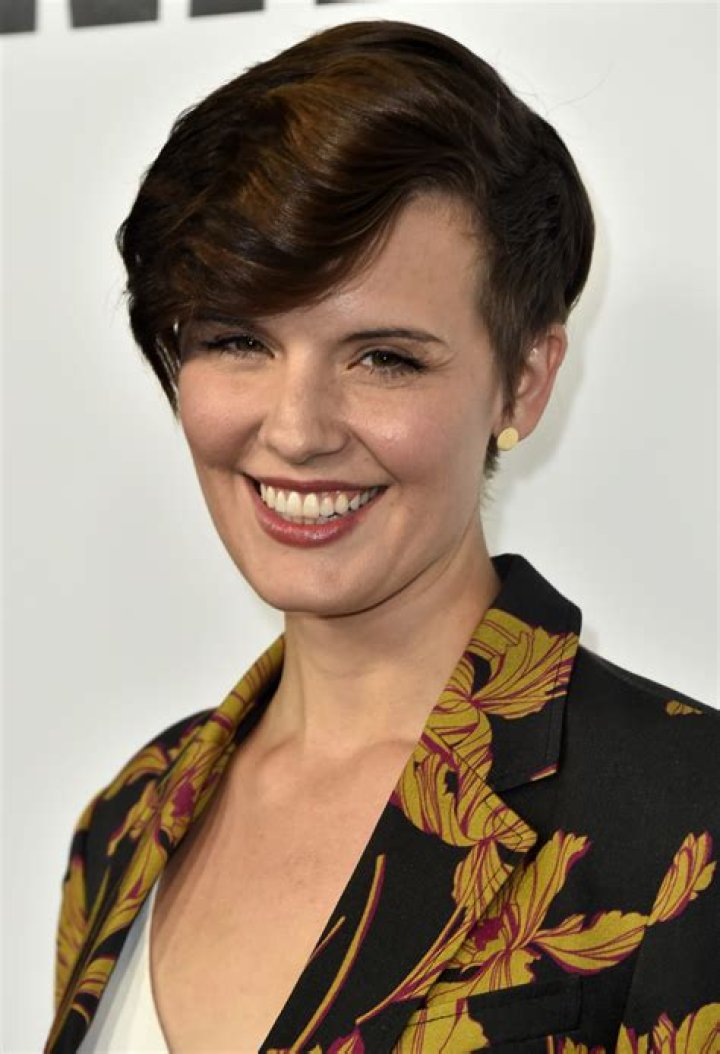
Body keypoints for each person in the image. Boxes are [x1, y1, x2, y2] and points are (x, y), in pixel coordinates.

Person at [45, 18, 719, 1054]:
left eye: (384, 358)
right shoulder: (128, 817)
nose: (297, 429)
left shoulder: (687, 815)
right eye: (238, 340)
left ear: (523, 382)